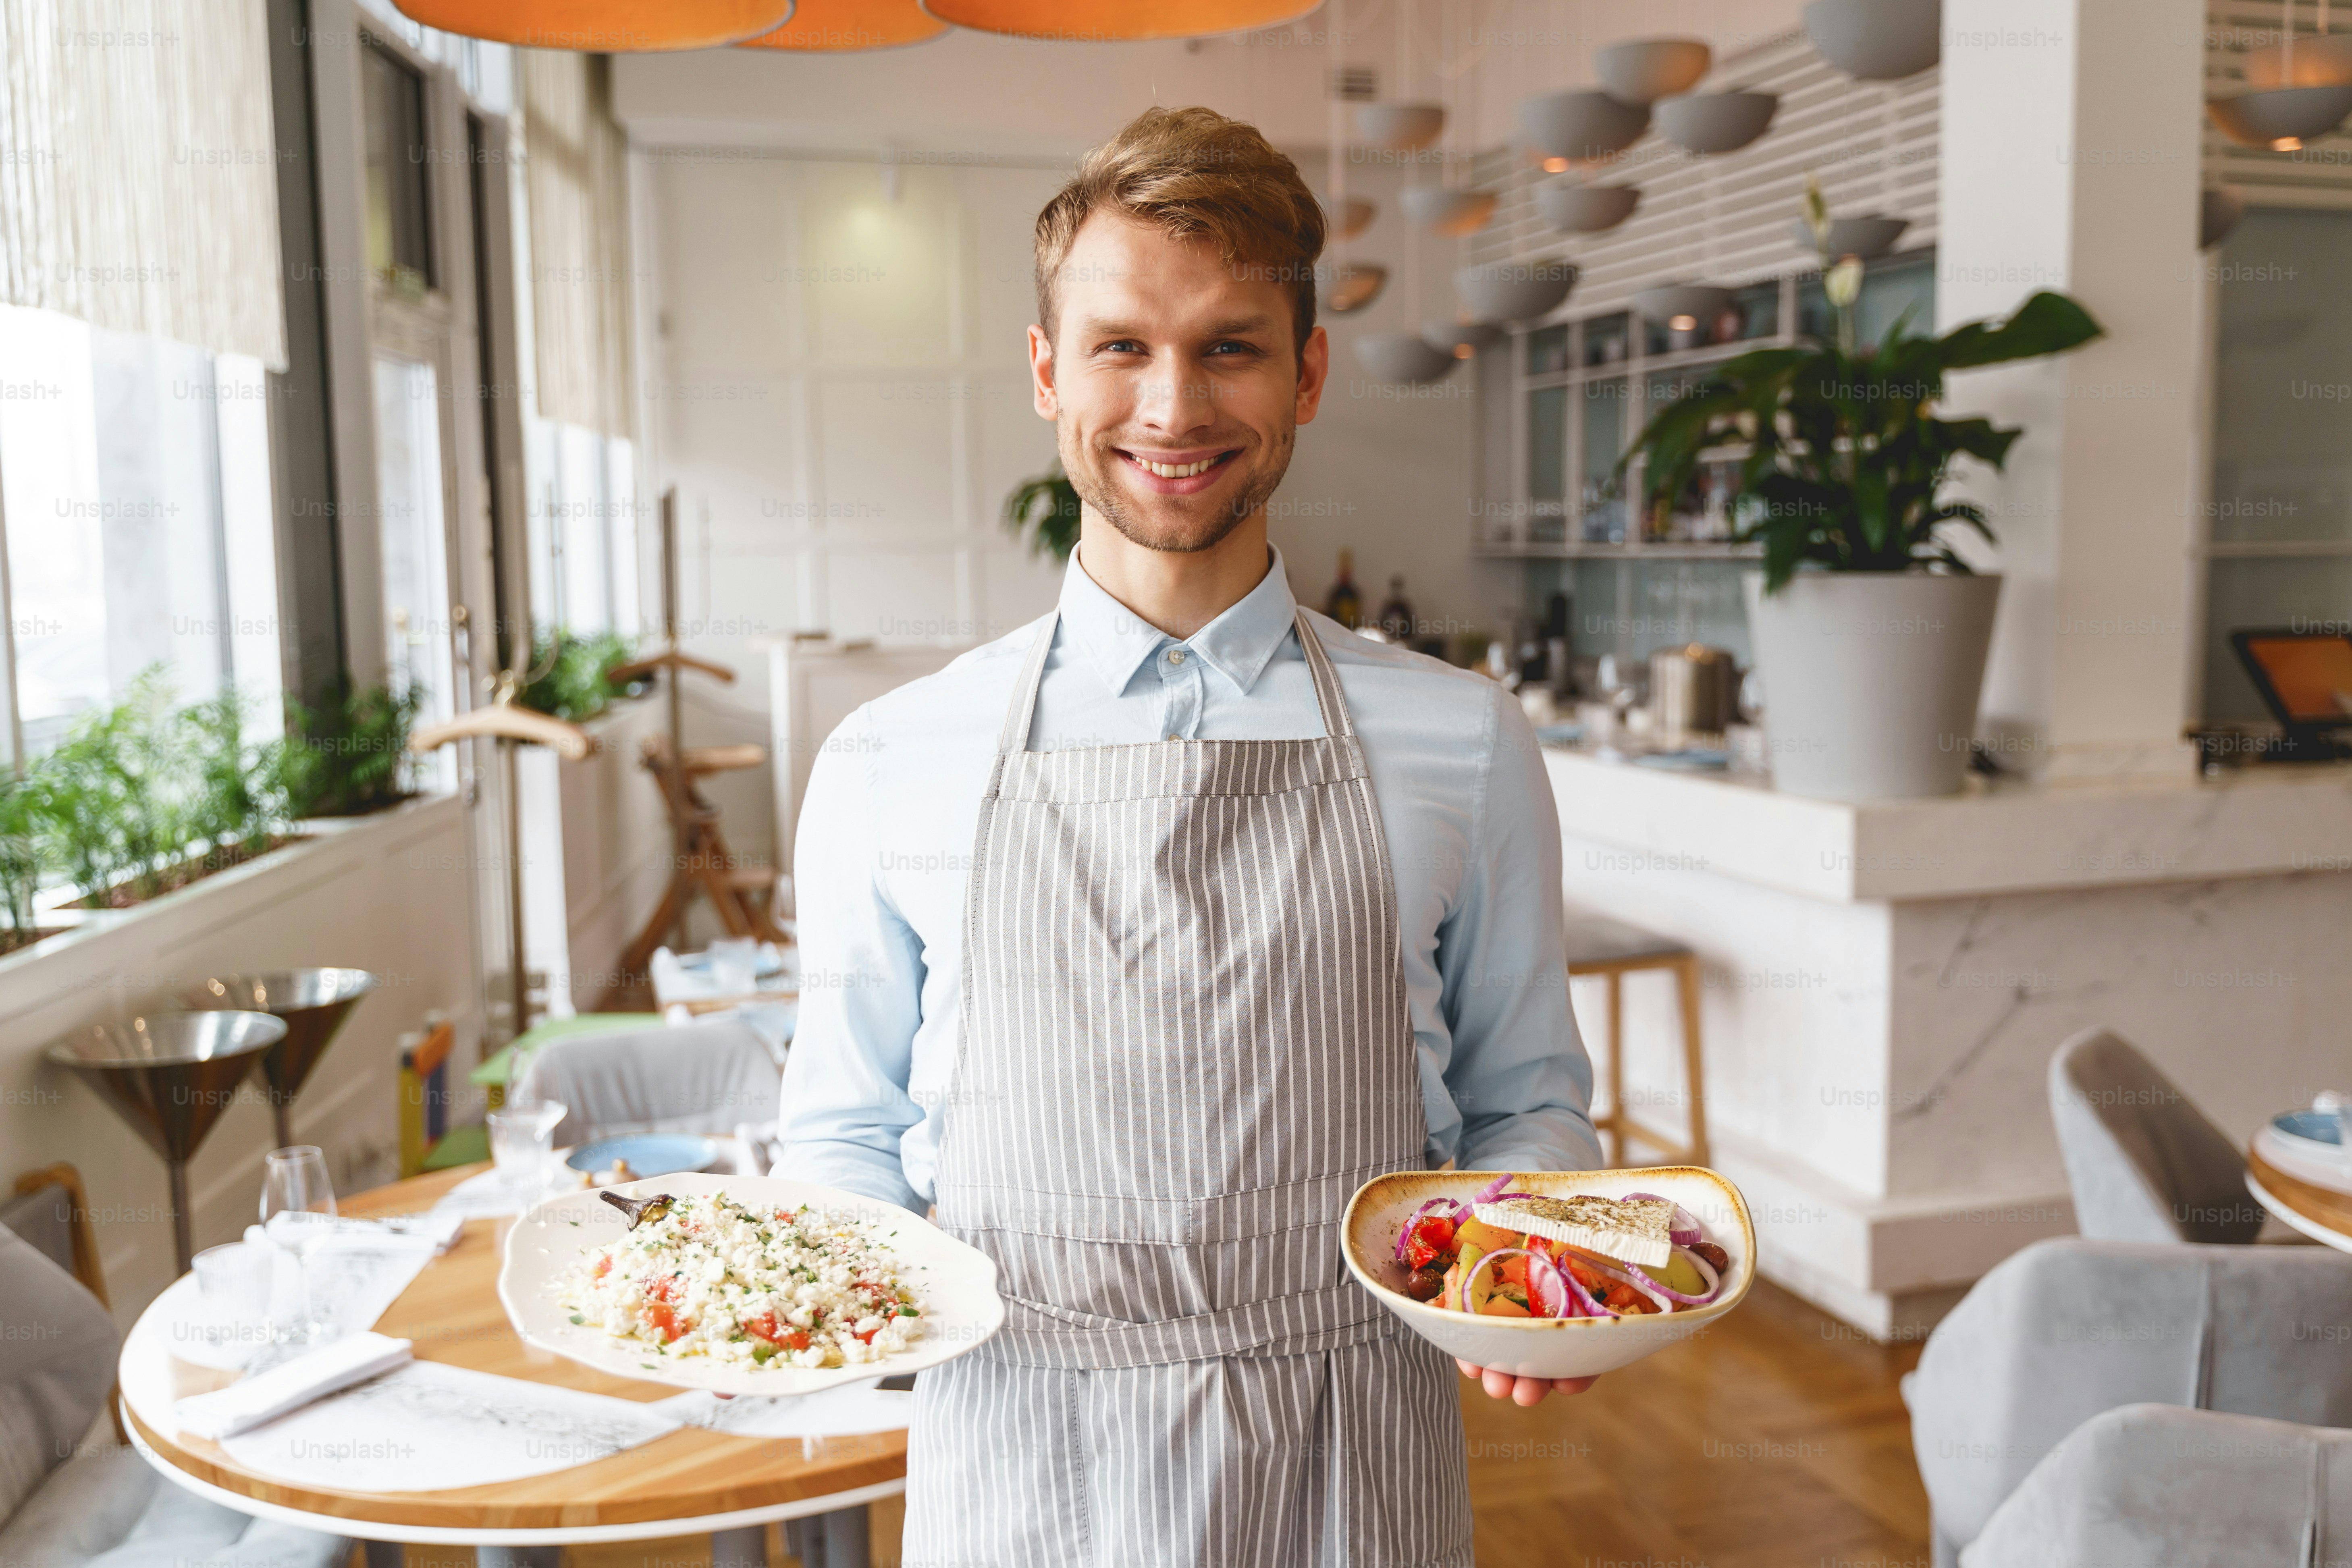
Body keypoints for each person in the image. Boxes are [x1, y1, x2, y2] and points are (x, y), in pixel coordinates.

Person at [779, 104, 1602, 1567]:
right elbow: (841, 1131)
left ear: (1307, 371)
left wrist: (1517, 1257)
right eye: (1120, 347)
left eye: (1229, 344)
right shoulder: (888, 758)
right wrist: (837, 1296)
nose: (1173, 407)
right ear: (1046, 370)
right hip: (1018, 1437)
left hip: (1355, 1442)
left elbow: (1525, 1100)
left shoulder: (1463, 741)